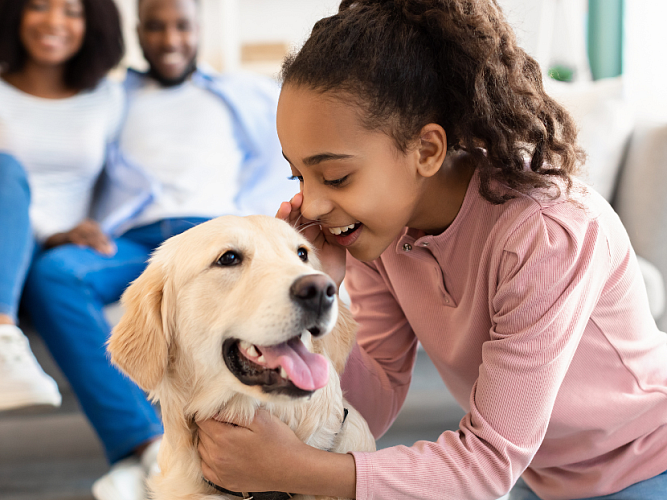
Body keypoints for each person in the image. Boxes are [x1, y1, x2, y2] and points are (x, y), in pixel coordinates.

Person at [195, 1, 667, 499]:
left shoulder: (548, 235)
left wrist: (294, 469)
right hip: (540, 474)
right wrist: (315, 292)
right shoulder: (383, 233)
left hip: (645, 463)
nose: (311, 204)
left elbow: (485, 466)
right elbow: (371, 409)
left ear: (426, 150)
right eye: (299, 175)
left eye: (336, 176)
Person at [22, 0, 295, 499]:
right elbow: (60, 159)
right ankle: (145, 445)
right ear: (139, 32)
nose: (170, 40)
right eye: (156, 27)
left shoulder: (242, 94)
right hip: (137, 237)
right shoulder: (109, 94)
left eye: (181, 27)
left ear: (199, 29)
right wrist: (62, 229)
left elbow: (290, 148)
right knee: (57, 273)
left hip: (215, 234)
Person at [0, 0, 124, 412]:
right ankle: (2, 339)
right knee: (4, 169)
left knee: (54, 273)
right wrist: (50, 234)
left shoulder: (108, 97)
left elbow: (122, 181)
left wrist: (88, 231)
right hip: (11, 240)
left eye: (71, 11)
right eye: (38, 6)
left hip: (64, 253)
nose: (55, 21)